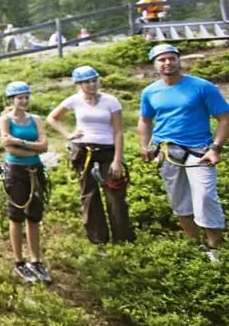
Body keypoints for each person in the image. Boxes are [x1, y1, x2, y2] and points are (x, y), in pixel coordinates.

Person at [138, 44, 229, 261]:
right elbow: (145, 120)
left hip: (200, 150)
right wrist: (145, 146)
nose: (167, 63)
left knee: (206, 195)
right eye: (162, 60)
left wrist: (216, 148)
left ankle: (215, 247)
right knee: (179, 199)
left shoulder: (202, 87)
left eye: (171, 58)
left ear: (179, 60)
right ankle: (193, 244)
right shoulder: (150, 91)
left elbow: (225, 118)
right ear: (155, 64)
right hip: (167, 149)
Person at [47, 66, 135, 246]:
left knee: (115, 195)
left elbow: (118, 131)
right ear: (79, 84)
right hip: (84, 150)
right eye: (87, 82)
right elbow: (52, 118)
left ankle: (123, 240)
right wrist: (68, 134)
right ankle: (98, 239)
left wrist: (117, 160)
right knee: (89, 195)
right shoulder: (74, 100)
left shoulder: (111, 101)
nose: (92, 84)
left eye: (94, 80)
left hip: (107, 150)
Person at [0, 81, 52, 284]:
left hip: (35, 170)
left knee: (34, 215)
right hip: (16, 171)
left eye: (26, 97)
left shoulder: (35, 119)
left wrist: (19, 141)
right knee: (16, 215)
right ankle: (19, 261)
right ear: (12, 100)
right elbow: (9, 149)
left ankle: (35, 259)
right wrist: (33, 147)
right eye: (20, 97)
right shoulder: (5, 119)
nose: (24, 101)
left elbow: (44, 146)